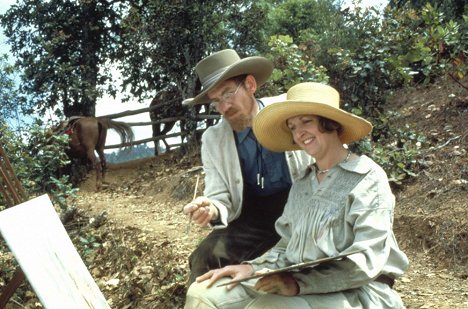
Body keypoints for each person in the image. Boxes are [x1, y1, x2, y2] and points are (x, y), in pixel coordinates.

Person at [185, 82, 409, 308]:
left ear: (330, 122)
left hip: (358, 290)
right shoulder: (303, 183)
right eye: (292, 127)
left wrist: (298, 283)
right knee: (202, 294)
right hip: (296, 279)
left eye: (306, 122)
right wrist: (251, 268)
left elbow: (365, 260)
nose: (299, 133)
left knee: (269, 306)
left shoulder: (366, 177)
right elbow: (286, 246)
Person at [181, 49, 312, 285]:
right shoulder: (213, 139)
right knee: (204, 258)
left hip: (306, 208)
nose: (224, 107)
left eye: (228, 93)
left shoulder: (291, 110)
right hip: (254, 215)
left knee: (304, 265)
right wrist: (211, 207)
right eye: (216, 101)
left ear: (250, 84)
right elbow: (220, 195)